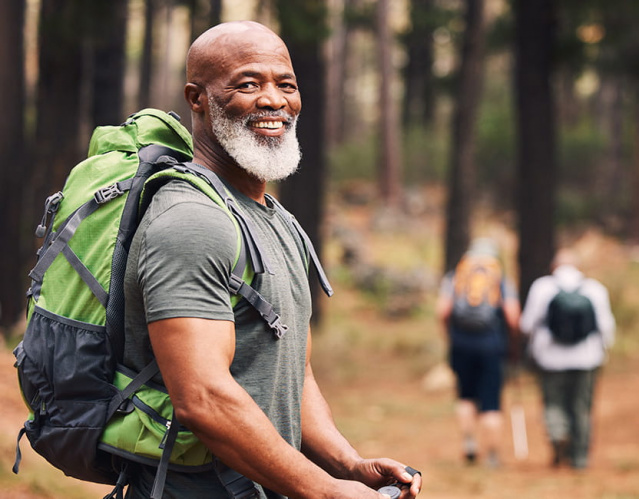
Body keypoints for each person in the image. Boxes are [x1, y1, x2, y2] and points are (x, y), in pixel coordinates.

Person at [122, 21, 422, 499]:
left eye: (286, 84)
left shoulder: (275, 219)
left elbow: (289, 373)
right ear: (196, 98)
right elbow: (202, 399)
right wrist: (323, 491)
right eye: (247, 84)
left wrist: (347, 465)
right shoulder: (191, 221)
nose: (273, 100)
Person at [519, 249, 615, 470]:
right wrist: (603, 351)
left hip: (550, 359)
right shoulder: (595, 289)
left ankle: (558, 434)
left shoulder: (542, 287)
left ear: (554, 266)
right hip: (587, 358)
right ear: (579, 267)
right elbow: (606, 326)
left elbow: (527, 324)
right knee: (581, 407)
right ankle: (580, 458)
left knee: (553, 402)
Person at [436, 238, 521, 468]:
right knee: (491, 402)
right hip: (491, 346)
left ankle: (469, 445)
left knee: (465, 396)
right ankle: (492, 456)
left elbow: (443, 311)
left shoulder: (456, 276)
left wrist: (450, 337)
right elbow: (513, 316)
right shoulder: (500, 278)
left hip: (461, 345)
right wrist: (513, 342)